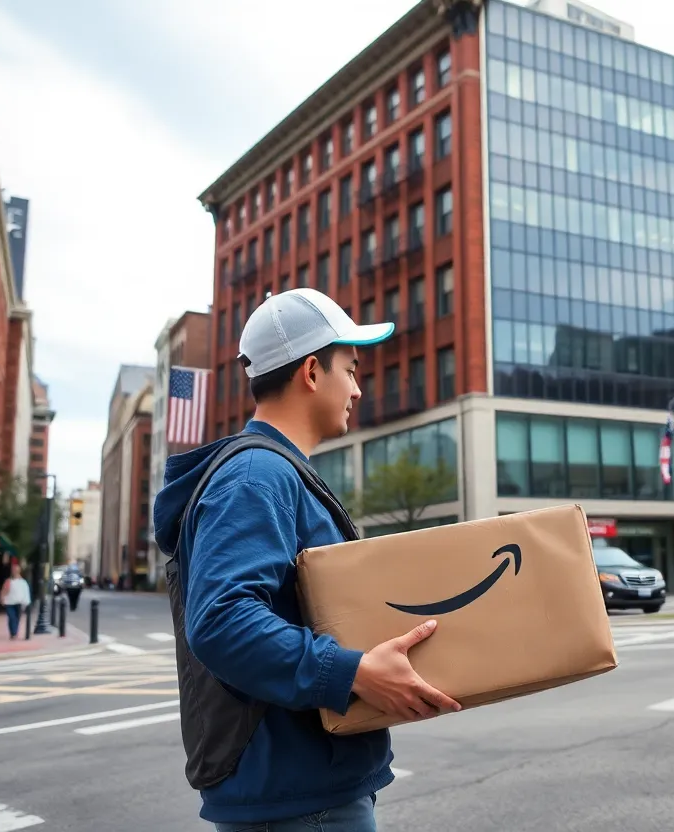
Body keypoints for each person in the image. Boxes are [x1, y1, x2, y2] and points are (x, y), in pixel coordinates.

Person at [153, 288, 461, 831]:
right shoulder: (258, 477)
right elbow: (222, 621)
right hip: (299, 802)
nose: (359, 390)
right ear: (312, 372)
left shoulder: (273, 473)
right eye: (351, 370)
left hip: (305, 791)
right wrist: (353, 671)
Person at [0, 562, 31, 639]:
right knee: (12, 617)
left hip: (19, 603)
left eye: (16, 570)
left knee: (17, 618)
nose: (15, 572)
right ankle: (14, 633)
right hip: (9, 603)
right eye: (14, 570)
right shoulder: (8, 581)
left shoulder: (23, 582)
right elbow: (4, 590)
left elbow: (25, 592)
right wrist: (2, 598)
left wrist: (26, 602)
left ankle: (13, 632)